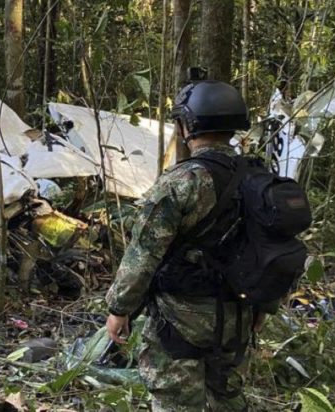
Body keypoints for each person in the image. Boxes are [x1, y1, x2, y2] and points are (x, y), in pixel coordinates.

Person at [103, 76, 264, 411]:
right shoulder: (259, 179)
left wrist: (120, 309)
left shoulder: (183, 181)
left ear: (189, 125)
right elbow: (274, 249)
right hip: (238, 316)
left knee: (176, 402)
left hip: (180, 321)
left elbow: (143, 254)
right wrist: (262, 309)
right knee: (227, 400)